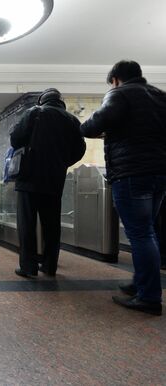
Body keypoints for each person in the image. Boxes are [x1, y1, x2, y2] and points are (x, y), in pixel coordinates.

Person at [81, 60, 166, 316]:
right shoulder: (161, 97)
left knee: (140, 233)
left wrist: (93, 129)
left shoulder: (119, 94)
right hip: (160, 173)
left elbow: (93, 124)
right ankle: (141, 283)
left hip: (132, 172)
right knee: (148, 230)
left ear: (116, 79)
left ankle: (149, 297)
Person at [10, 88, 86, 279]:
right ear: (60, 101)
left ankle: (28, 267)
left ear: (42, 100)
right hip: (54, 179)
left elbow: (15, 139)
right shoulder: (72, 120)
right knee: (52, 225)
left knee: (27, 224)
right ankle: (50, 266)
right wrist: (62, 163)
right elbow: (80, 149)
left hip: (28, 177)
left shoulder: (34, 113)